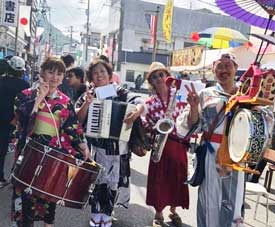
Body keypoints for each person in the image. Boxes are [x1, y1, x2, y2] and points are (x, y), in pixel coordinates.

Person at [11, 57, 90, 227]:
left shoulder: (64, 101)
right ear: (42, 73)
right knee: (23, 199)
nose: (55, 77)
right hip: (28, 153)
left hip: (52, 156)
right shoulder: (25, 95)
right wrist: (39, 99)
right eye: (51, 72)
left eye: (59, 73)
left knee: (48, 199)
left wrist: (83, 146)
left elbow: (72, 126)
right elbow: (21, 119)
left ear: (63, 77)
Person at [75, 59, 146, 227]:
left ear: (109, 75)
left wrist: (136, 112)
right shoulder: (88, 94)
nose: (99, 75)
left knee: (113, 182)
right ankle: (95, 212)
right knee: (97, 181)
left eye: (102, 72)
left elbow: (140, 102)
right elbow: (77, 118)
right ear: (91, 77)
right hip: (97, 146)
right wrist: (87, 103)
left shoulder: (120, 92)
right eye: (95, 73)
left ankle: (106, 213)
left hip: (119, 146)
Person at [176, 53, 245, 226]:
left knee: (232, 202)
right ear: (213, 70)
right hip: (210, 153)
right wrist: (193, 107)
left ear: (236, 68)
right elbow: (189, 126)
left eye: (228, 65)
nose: (223, 70)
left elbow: (261, 123)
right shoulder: (205, 94)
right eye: (219, 66)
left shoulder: (246, 95)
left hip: (236, 155)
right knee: (208, 199)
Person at [142, 62, 189, 227]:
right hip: (160, 146)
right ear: (151, 81)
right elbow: (144, 123)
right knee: (159, 180)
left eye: (161, 74)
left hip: (178, 144)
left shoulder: (180, 96)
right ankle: (159, 213)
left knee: (177, 178)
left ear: (167, 75)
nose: (159, 79)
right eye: (154, 77)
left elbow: (189, 117)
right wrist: (152, 128)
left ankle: (173, 210)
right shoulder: (149, 103)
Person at [0, 56, 29, 188]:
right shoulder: (24, 85)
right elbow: (24, 106)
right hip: (12, 121)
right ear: (21, 71)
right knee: (5, 148)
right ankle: (12, 177)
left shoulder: (1, 80)